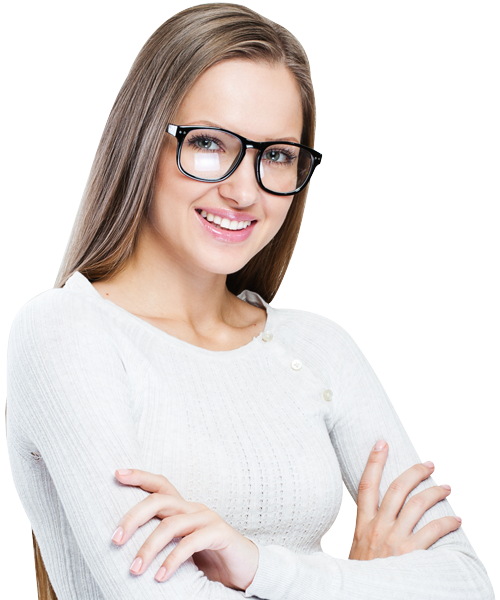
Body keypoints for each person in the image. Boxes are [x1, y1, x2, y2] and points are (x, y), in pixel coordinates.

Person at [6, 4, 493, 600]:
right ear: (142, 142)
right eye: (209, 143)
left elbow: (469, 581)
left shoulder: (317, 348)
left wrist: (257, 566)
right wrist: (369, 577)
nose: (243, 191)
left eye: (277, 155)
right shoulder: (65, 331)